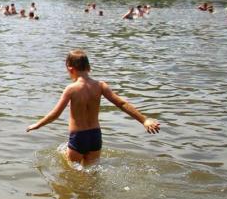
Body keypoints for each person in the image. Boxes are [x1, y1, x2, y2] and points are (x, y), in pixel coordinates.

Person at [26, 50, 160, 166]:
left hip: (78, 137)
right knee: (91, 174)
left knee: (74, 174)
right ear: (89, 68)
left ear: (70, 68)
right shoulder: (100, 86)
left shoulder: (71, 89)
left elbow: (55, 114)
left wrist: (37, 125)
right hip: (95, 136)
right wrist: (144, 120)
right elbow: (122, 104)